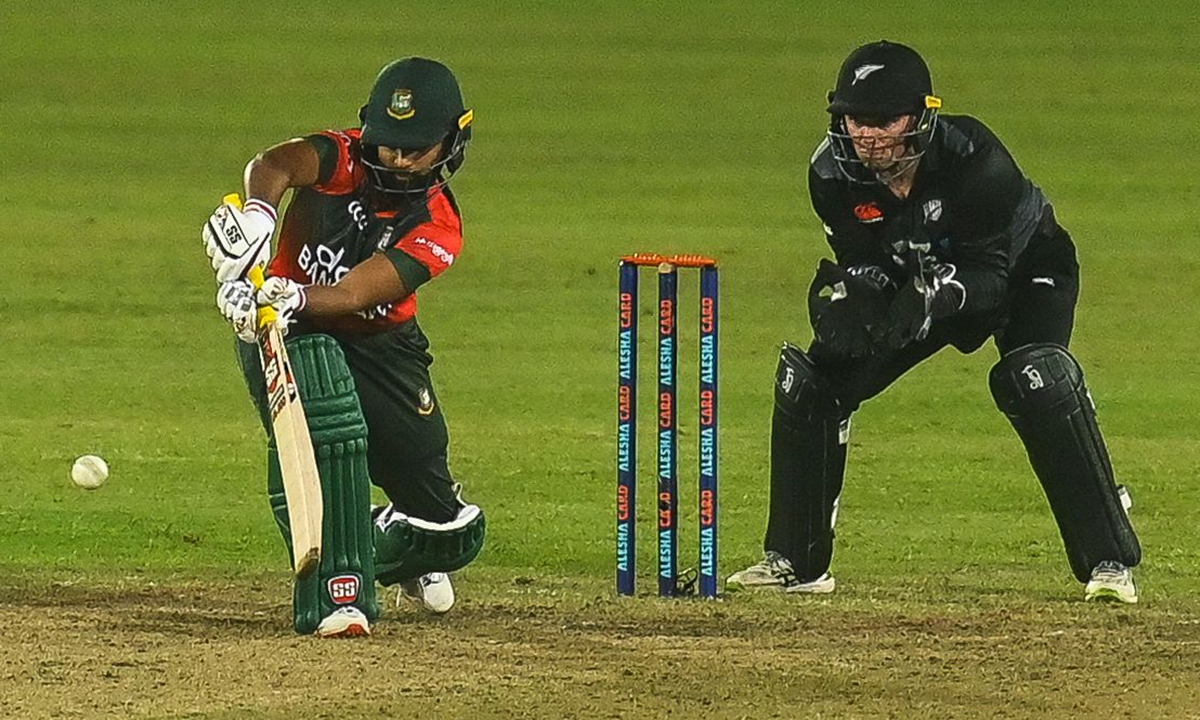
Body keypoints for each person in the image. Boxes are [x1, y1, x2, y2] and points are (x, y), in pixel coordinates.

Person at [726, 40, 1141, 603]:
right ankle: (797, 563)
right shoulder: (830, 174)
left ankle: (1109, 561)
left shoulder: (976, 159)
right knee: (816, 381)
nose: (865, 135)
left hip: (1023, 270)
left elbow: (991, 278)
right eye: (853, 119)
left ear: (920, 117)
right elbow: (864, 259)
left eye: (881, 121)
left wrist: (937, 295)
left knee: (1035, 378)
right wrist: (857, 298)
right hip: (917, 279)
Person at [201, 57, 487, 636]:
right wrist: (259, 212)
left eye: (415, 148)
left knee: (448, 531)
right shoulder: (344, 157)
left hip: (383, 346)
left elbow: (359, 290)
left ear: (451, 142)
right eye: (388, 145)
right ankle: (338, 594)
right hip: (290, 333)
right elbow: (277, 163)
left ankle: (378, 540)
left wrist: (293, 296)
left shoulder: (439, 223)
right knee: (330, 434)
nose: (399, 159)